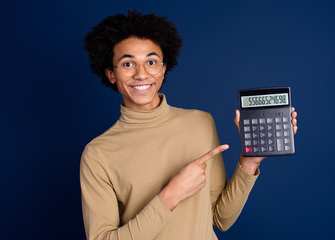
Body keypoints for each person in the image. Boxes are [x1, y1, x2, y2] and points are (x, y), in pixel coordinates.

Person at [80, 10, 298, 240]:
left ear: (163, 69)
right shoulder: (98, 154)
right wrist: (170, 196)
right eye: (127, 64)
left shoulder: (200, 123)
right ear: (111, 74)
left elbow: (220, 219)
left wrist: (249, 163)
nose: (141, 74)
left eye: (151, 62)